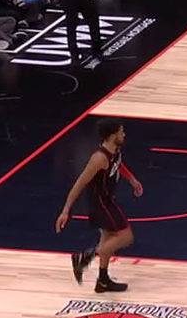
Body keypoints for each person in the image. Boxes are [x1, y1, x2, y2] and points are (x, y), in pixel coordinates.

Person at [55, 119, 143, 293]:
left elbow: (118, 164)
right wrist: (65, 210)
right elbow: (79, 184)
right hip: (100, 203)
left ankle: (102, 281)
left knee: (108, 237)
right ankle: (85, 258)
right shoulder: (99, 158)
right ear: (112, 136)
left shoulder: (114, 150)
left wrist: (132, 180)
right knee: (125, 237)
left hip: (107, 199)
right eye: (121, 132)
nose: (124, 135)